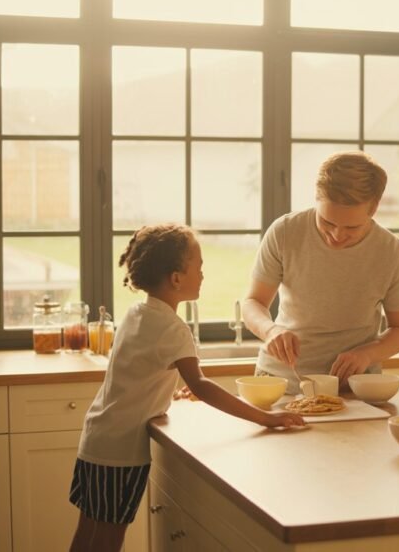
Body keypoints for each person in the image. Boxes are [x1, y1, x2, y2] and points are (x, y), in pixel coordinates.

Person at [69, 224, 305, 552]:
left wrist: (166, 394)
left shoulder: (136, 313)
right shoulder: (174, 329)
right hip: (121, 453)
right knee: (109, 542)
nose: (204, 275)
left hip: (97, 439)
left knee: (87, 537)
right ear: (176, 278)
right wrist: (266, 419)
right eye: (199, 267)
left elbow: (139, 375)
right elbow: (202, 386)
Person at [243, 151, 399, 392]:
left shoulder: (391, 251)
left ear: (374, 208)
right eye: (327, 222)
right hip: (281, 381)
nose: (336, 235)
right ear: (316, 198)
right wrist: (270, 330)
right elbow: (253, 302)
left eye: (351, 227)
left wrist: (366, 354)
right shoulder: (285, 232)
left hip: (355, 385)